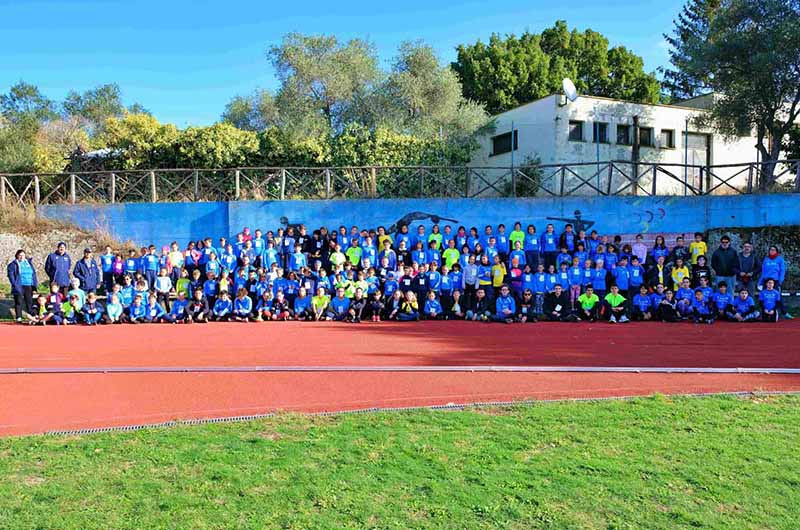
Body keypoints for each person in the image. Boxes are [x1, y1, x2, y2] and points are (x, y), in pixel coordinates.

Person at [7, 249, 38, 323]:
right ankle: (19, 317)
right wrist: (14, 284)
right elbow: (11, 275)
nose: (21, 257)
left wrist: (34, 283)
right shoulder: (13, 264)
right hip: (19, 285)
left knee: (29, 301)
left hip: (29, 285)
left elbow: (33, 273)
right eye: (20, 255)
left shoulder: (29, 263)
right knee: (19, 301)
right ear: (17, 256)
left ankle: (31, 317)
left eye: (23, 255)